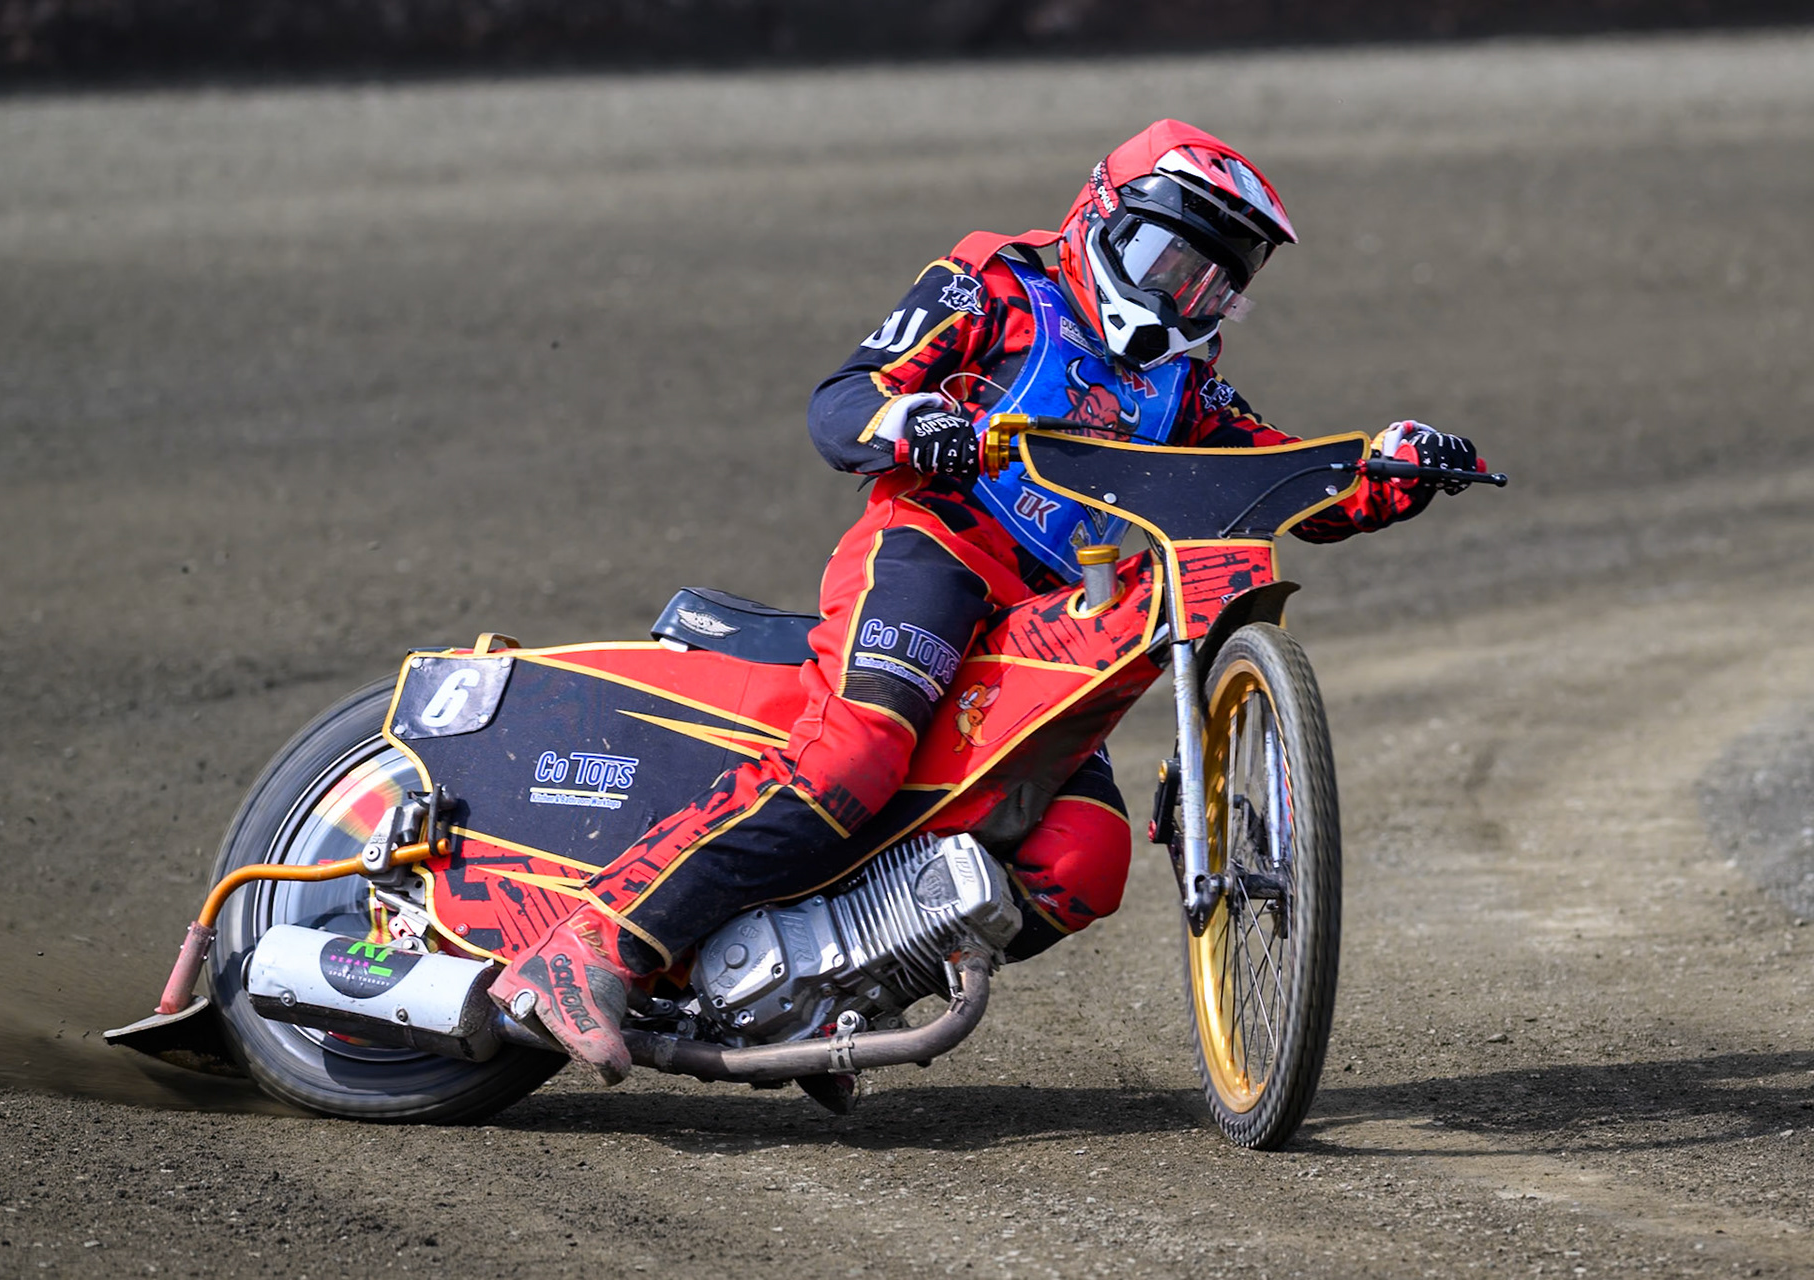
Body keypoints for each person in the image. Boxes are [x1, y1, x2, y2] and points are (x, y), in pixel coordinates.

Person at [489, 119, 1485, 1084]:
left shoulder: (1190, 392)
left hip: (1049, 620)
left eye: (1212, 281)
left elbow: (1287, 481)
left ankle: (832, 988)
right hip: (935, 549)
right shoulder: (996, 283)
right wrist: (913, 421)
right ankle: (595, 945)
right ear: (1102, 217)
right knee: (856, 750)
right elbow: (843, 400)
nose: (1182, 295)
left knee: (1086, 855)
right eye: (1166, 260)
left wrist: (1392, 465)